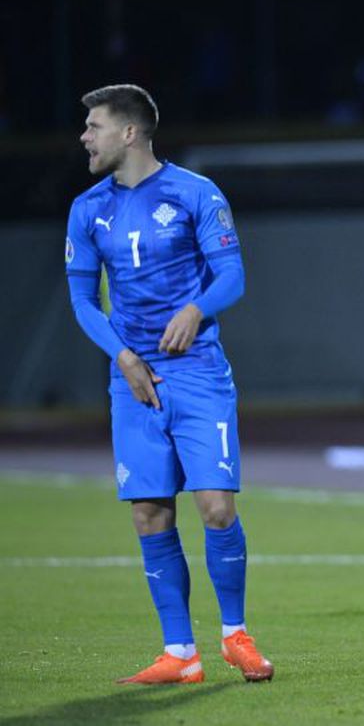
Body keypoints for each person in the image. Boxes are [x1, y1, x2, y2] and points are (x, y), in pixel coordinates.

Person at [65, 84, 273, 682]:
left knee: (214, 507)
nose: (85, 136)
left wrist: (197, 310)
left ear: (129, 132)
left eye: (94, 125)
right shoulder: (87, 208)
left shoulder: (195, 193)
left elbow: (231, 277)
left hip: (198, 373)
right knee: (150, 516)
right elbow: (81, 301)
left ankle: (235, 634)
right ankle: (180, 654)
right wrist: (123, 357)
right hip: (133, 379)